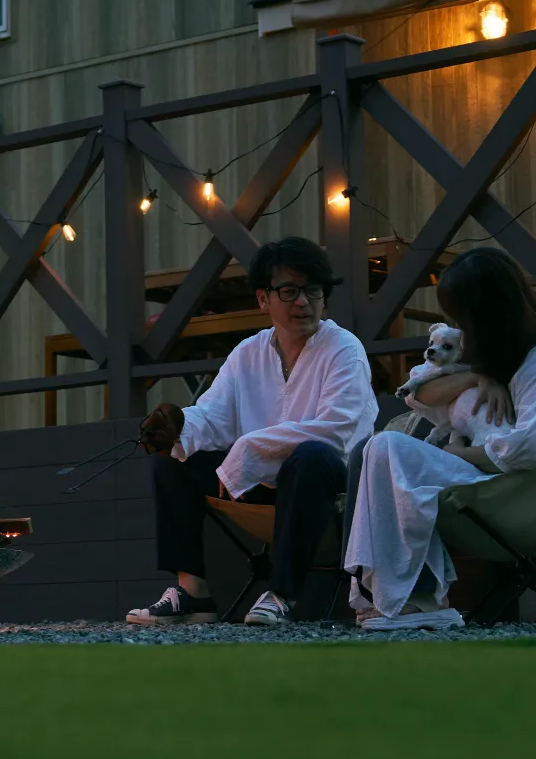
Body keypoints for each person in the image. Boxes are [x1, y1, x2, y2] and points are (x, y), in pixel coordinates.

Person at [127, 237, 376, 626]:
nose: (303, 302)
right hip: (260, 483)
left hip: (330, 485)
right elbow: (213, 415)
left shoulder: (344, 348)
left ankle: (281, 594)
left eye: (313, 290)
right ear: (263, 299)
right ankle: (193, 593)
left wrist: (250, 447)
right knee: (172, 459)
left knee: (311, 455)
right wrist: (178, 425)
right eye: (289, 291)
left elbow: (336, 432)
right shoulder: (248, 352)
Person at [343, 247, 536, 631]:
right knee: (380, 448)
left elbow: (532, 447)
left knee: (388, 449)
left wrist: (455, 454)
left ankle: (418, 598)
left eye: (461, 315)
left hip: (518, 491)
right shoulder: (491, 354)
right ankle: (410, 597)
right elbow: (419, 394)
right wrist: (479, 375)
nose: (458, 326)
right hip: (490, 476)